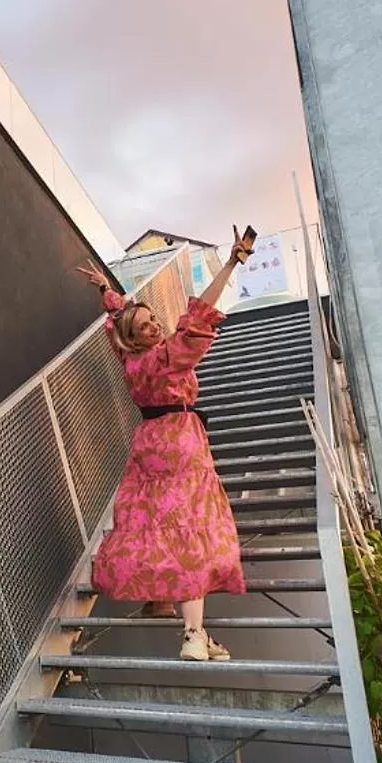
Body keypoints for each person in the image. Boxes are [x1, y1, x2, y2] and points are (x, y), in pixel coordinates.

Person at [77, 227, 257, 661]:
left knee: (158, 525)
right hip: (180, 439)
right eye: (147, 325)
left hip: (149, 441)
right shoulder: (165, 357)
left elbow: (122, 317)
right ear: (137, 338)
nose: (155, 325)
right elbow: (201, 311)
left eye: (154, 318)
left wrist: (107, 291)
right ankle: (194, 633)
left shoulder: (131, 359)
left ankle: (168, 605)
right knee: (191, 530)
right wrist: (231, 263)